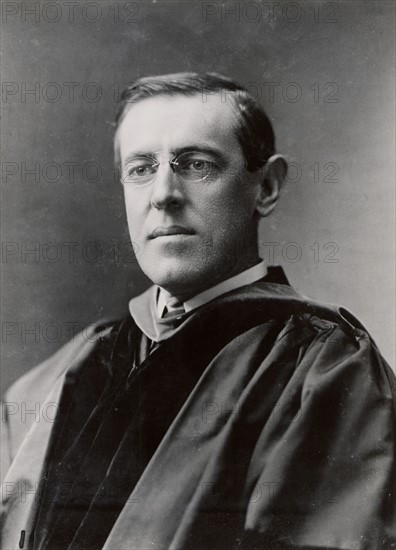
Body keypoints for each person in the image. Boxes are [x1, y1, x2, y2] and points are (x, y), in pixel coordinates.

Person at [1, 72, 395, 550]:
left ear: (266, 187)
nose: (163, 194)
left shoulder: (321, 369)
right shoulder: (62, 375)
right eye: (141, 168)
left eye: (196, 164)